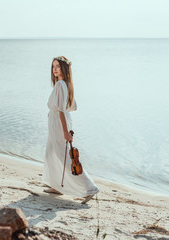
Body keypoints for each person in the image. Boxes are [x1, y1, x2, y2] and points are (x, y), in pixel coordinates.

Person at [42, 56, 99, 204]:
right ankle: (56, 185)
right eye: (53, 66)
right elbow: (73, 107)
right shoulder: (65, 84)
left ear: (64, 69)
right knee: (51, 153)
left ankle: (90, 188)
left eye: (58, 66)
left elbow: (61, 110)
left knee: (64, 157)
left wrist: (65, 131)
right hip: (58, 122)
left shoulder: (61, 84)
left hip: (58, 124)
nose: (54, 69)